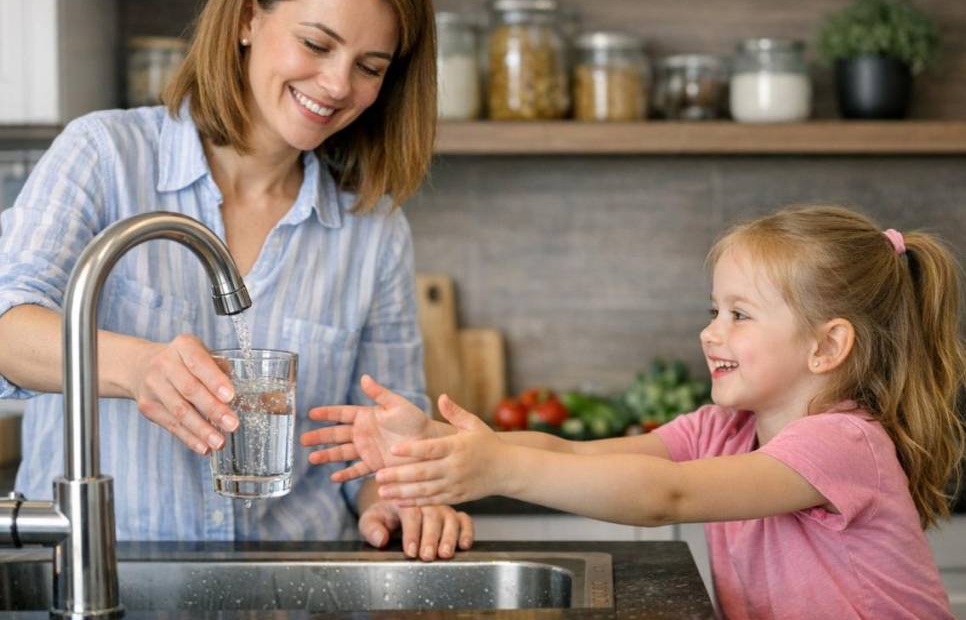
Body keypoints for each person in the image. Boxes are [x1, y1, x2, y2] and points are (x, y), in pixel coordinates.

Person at [0, 0, 474, 560]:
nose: (336, 84)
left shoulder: (371, 227)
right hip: (101, 576)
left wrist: (394, 498)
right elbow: (7, 330)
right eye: (316, 43)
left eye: (370, 66)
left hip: (294, 588)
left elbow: (380, 437)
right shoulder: (104, 156)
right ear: (250, 17)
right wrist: (137, 367)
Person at [303, 204, 965, 618]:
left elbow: (665, 495)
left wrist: (497, 469)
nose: (712, 333)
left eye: (740, 315)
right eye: (713, 311)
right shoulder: (724, 429)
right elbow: (575, 454)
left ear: (827, 346)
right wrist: (441, 442)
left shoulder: (844, 443)